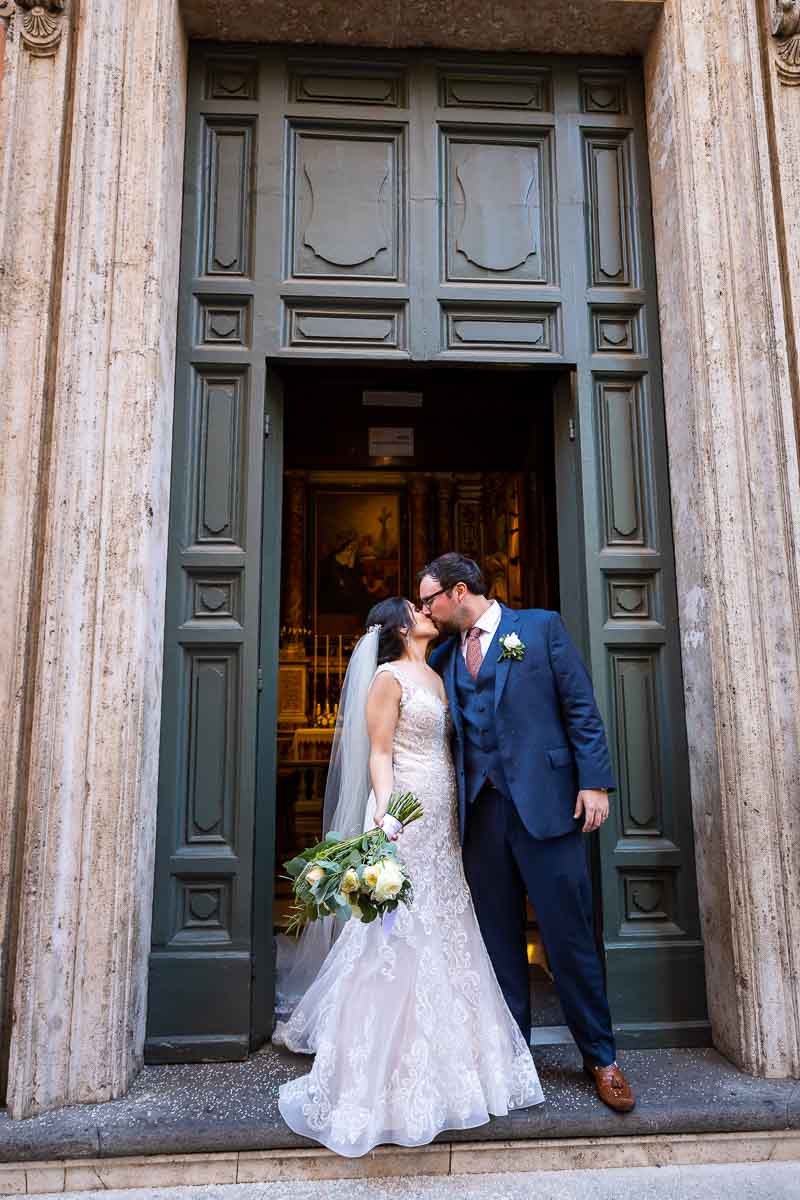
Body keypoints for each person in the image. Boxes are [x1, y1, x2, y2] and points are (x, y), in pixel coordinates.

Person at [273, 596, 544, 1157]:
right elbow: (378, 751)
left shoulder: (438, 669)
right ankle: (387, 1057)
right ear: (400, 626)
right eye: (417, 609)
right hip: (408, 810)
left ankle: (461, 1051)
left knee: (448, 914)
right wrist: (385, 811)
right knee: (399, 923)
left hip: (445, 810)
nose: (428, 613)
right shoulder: (389, 678)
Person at [420, 553, 635, 1114]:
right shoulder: (442, 656)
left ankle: (601, 1057)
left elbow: (581, 710)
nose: (427, 609)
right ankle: (511, 1060)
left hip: (547, 808)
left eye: (429, 599)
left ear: (458, 591)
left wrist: (595, 783)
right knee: (497, 945)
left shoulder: (539, 629)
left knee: (569, 937)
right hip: (481, 815)